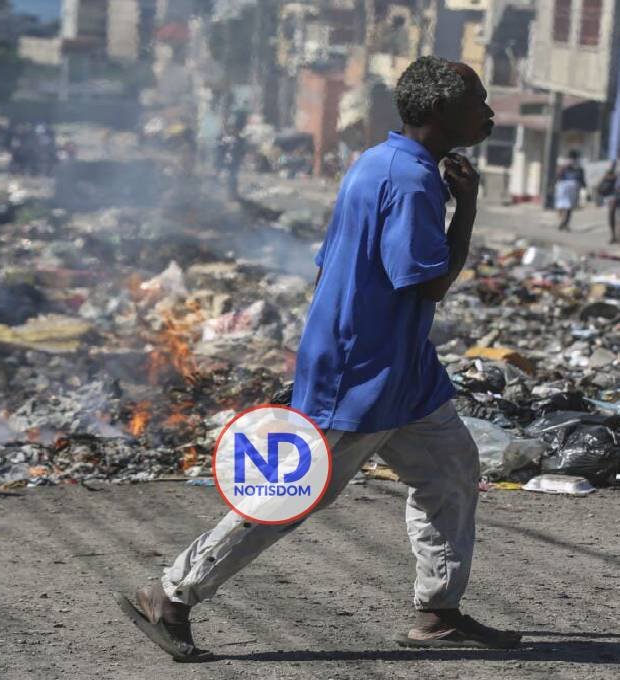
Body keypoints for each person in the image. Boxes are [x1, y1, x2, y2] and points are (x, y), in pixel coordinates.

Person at [117, 57, 521, 662]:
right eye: (479, 101)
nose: (489, 113)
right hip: (363, 370)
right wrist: (467, 208)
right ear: (439, 111)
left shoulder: (378, 162)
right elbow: (427, 283)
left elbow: (329, 263)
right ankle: (171, 594)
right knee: (292, 492)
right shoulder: (411, 182)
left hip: (402, 367)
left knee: (451, 472)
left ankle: (439, 612)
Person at [553, 149, 586, 231]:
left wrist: (555, 182)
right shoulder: (577, 166)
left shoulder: (565, 165)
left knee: (563, 206)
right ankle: (564, 223)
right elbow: (581, 178)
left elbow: (558, 175)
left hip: (563, 186)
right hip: (571, 186)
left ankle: (563, 222)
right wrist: (583, 186)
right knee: (568, 207)